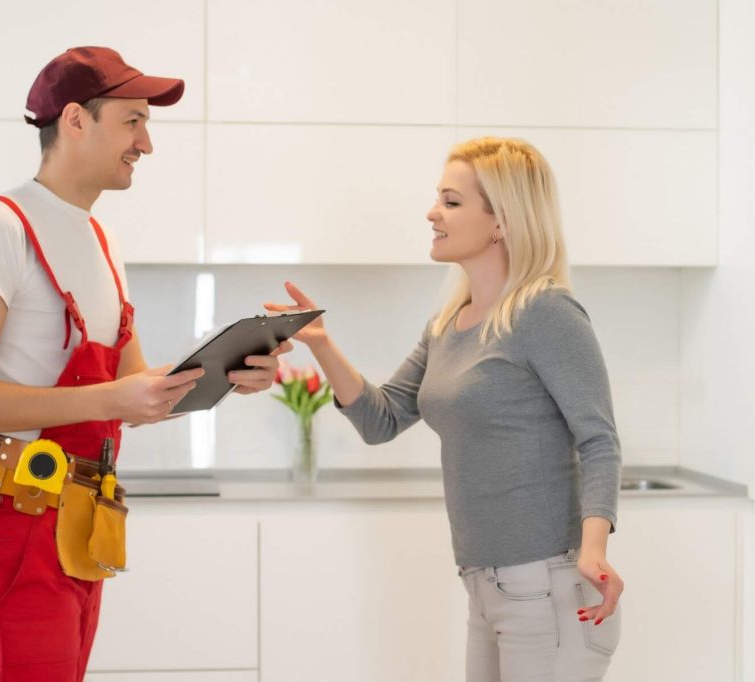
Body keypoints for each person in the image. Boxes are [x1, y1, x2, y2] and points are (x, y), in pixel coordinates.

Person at [0, 47, 287, 681]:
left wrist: (230, 373)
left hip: (80, 523)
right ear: (75, 120)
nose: (147, 143)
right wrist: (111, 400)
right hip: (14, 518)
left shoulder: (102, 241)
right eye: (133, 121)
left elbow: (134, 393)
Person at [267, 137, 624, 680]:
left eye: (451, 202)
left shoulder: (546, 312)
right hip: (486, 586)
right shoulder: (449, 323)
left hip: (546, 585)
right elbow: (380, 420)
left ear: (502, 219)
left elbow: (599, 440)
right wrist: (320, 343)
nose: (432, 213)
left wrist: (594, 549)